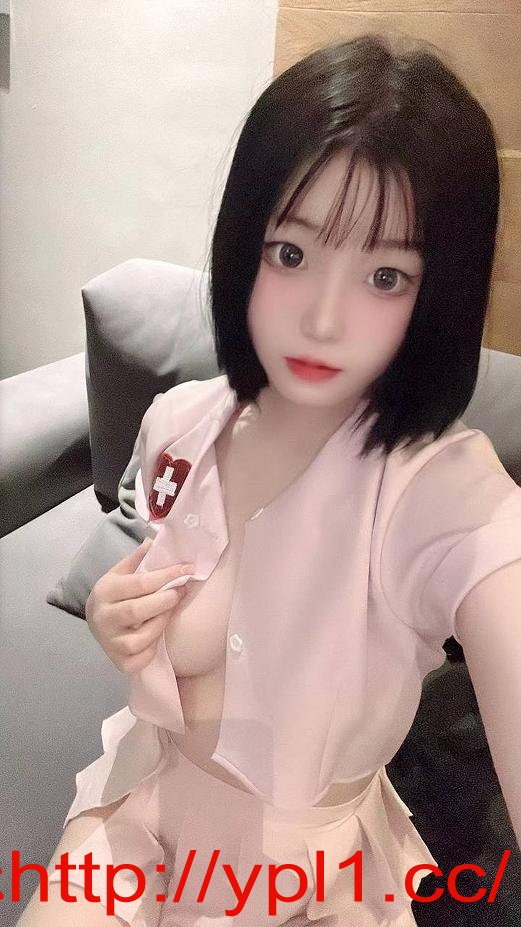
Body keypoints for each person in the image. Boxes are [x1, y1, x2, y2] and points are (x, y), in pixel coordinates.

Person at [19, 32, 521, 927]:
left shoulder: (440, 491)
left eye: (383, 275)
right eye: (290, 254)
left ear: (436, 291)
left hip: (309, 884)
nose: (322, 318)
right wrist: (115, 617)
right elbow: (160, 572)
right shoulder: (178, 423)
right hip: (137, 815)